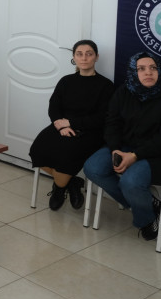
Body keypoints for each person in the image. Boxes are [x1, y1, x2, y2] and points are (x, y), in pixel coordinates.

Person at [83, 52, 161, 241]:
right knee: (93, 168)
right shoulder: (123, 92)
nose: (148, 72)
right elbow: (112, 123)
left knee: (130, 182)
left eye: (152, 68)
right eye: (141, 69)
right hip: (125, 146)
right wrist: (115, 148)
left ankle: (146, 219)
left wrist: (135, 155)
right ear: (133, 72)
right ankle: (149, 205)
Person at [28, 40, 115, 210]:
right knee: (37, 150)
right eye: (79, 54)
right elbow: (54, 107)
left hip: (91, 131)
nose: (84, 58)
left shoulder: (106, 85)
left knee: (68, 154)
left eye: (89, 54)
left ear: (96, 57)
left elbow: (103, 117)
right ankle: (72, 182)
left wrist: (71, 123)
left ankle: (59, 190)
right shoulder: (66, 81)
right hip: (62, 127)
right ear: (74, 57)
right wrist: (62, 126)